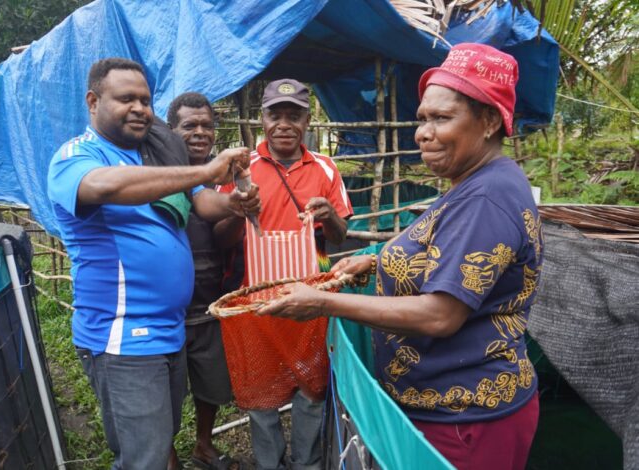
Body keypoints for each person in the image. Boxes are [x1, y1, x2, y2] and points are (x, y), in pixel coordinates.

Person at [258, 44, 543, 470]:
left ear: (488, 121)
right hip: (444, 406)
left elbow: (440, 315)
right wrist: (373, 261)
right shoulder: (471, 182)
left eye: (442, 118)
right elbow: (436, 247)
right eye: (422, 118)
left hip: (466, 418)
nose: (423, 133)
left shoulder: (487, 196)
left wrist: (322, 302)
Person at [47, 58, 259, 470]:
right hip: (123, 335)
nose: (140, 108)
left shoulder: (155, 158)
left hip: (168, 330)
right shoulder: (76, 156)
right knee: (144, 457)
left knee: (159, 441)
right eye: (126, 98)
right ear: (93, 101)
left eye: (145, 100)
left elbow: (200, 198)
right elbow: (106, 186)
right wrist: (204, 168)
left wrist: (232, 201)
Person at [216, 79, 353, 470]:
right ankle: (269, 463)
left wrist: (328, 216)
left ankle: (307, 462)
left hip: (311, 303)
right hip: (255, 302)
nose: (284, 124)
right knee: (261, 393)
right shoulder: (243, 170)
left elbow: (340, 237)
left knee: (312, 391)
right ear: (263, 119)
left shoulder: (325, 168)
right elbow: (220, 236)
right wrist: (236, 210)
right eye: (276, 114)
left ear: (308, 120)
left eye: (294, 115)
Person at [166, 92, 239, 470]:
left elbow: (221, 238)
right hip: (167, 312)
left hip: (210, 302)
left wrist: (240, 210)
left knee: (210, 384)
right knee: (164, 394)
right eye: (189, 126)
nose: (199, 133)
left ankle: (203, 445)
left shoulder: (225, 177)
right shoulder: (158, 176)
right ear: (171, 130)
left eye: (206, 125)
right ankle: (169, 455)